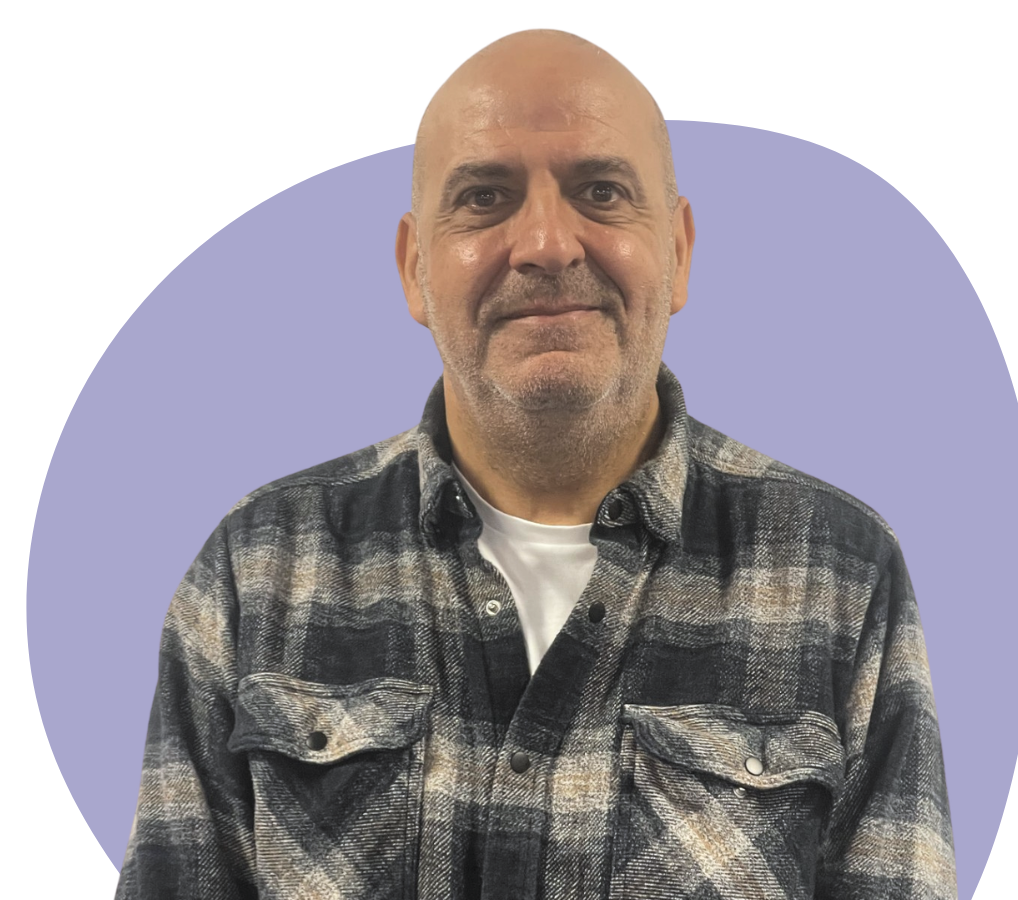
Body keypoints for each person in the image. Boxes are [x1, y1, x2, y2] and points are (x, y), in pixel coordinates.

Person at [115, 29, 956, 900]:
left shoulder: (839, 574)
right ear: (414, 266)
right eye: (485, 197)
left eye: (601, 192)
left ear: (678, 250)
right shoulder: (257, 570)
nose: (548, 244)